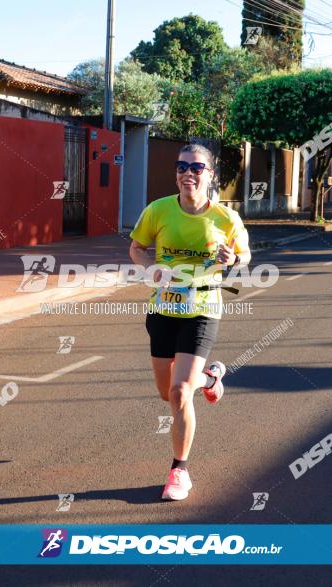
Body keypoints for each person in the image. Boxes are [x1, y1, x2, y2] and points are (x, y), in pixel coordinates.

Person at [129, 144, 251, 501]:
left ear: (210, 175)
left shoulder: (226, 219)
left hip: (203, 308)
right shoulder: (158, 210)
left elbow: (244, 256)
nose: (188, 173)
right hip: (163, 308)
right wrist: (148, 267)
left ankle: (179, 471)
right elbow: (136, 247)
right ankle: (211, 378)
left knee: (180, 392)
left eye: (197, 167)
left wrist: (233, 258)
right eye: (182, 166)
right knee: (166, 392)